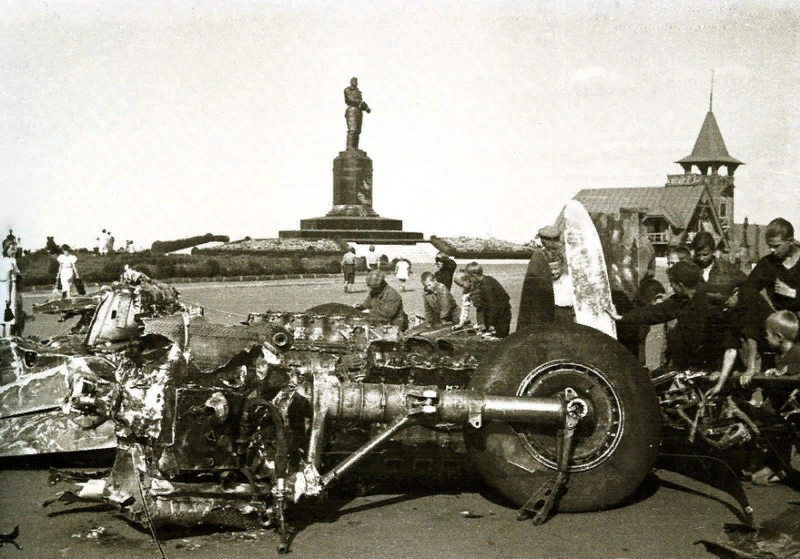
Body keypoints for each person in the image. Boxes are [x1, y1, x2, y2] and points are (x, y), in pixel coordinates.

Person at [619, 260, 738, 372]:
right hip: (698, 363)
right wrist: (623, 317)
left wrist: (719, 369)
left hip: (722, 364)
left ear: (680, 285)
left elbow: (725, 338)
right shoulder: (682, 300)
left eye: (672, 283)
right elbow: (656, 312)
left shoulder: (711, 302)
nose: (671, 287)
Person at [743, 218, 800, 313]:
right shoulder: (767, 262)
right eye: (770, 246)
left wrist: (793, 293)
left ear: (790, 241)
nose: (772, 250)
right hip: (778, 319)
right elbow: (750, 287)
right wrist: (737, 296)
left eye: (776, 246)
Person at [464, 262, 512, 338]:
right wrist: (481, 323)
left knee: (498, 337)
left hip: (501, 315)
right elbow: (480, 305)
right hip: (496, 312)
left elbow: (493, 306)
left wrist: (490, 324)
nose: (469, 280)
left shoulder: (487, 286)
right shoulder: (484, 281)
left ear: (474, 275)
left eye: (469, 277)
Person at [0, 238, 21, 336]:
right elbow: (8, 279)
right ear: (6, 249)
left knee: (1, 318)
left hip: (1, 286)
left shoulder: (1, 260)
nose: (14, 251)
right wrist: (7, 296)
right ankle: (7, 339)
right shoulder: (9, 262)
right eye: (12, 249)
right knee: (8, 317)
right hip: (8, 288)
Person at [344, 77, 371, 150]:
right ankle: (350, 146)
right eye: (354, 81)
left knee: (358, 130)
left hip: (358, 111)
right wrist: (361, 103)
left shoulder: (358, 91)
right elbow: (350, 99)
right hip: (352, 111)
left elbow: (360, 101)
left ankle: (355, 146)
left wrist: (366, 108)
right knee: (352, 129)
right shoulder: (348, 90)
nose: (355, 82)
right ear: (351, 82)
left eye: (356, 81)